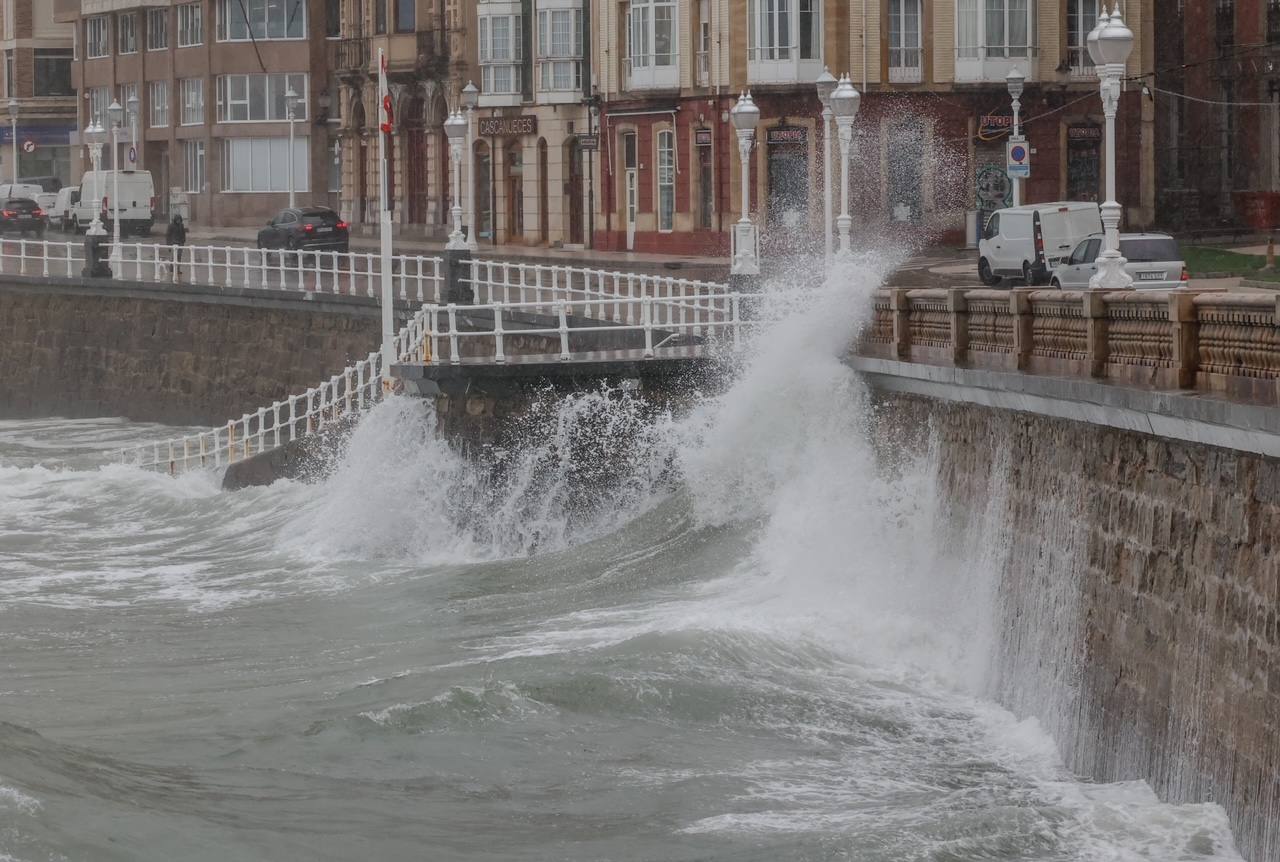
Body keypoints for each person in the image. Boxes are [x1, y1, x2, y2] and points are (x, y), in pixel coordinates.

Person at [165, 214, 187, 281]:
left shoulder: (181, 225)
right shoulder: (171, 226)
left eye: (179, 220)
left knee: (179, 256)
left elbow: (183, 234)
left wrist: (183, 241)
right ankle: (172, 268)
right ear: (175, 220)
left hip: (180, 243)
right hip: (174, 243)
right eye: (177, 220)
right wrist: (168, 245)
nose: (178, 221)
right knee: (174, 256)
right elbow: (168, 235)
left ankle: (178, 269)